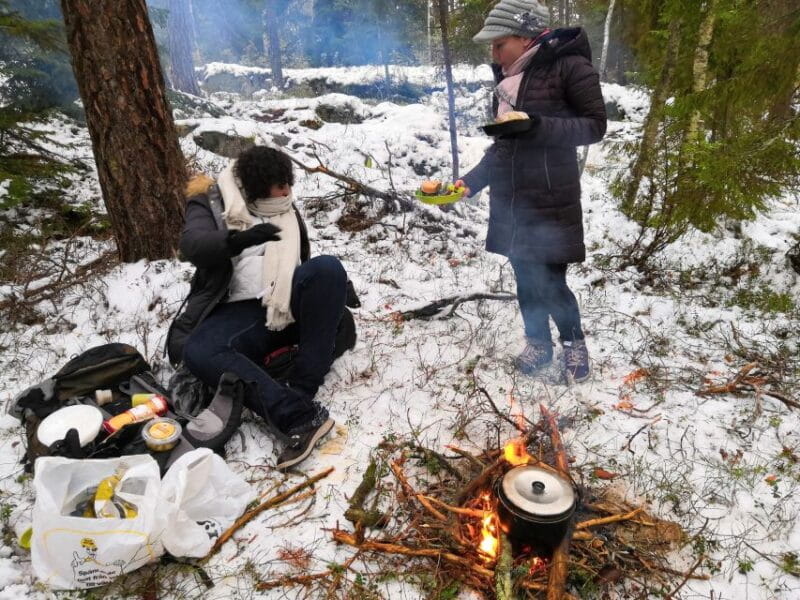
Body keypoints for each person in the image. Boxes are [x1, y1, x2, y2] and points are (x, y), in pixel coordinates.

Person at [166, 146, 348, 470]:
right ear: (257, 186)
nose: (287, 193)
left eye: (289, 185)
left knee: (328, 270)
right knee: (200, 350)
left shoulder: (283, 205)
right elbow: (192, 246)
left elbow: (302, 262)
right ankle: (298, 417)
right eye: (280, 187)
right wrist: (238, 240)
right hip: (239, 311)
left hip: (284, 302)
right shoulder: (211, 199)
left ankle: (302, 391)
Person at [454, 0, 606, 383]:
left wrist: (536, 125)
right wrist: (471, 181)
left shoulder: (570, 66)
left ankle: (574, 345)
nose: (493, 53)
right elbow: (506, 145)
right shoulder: (507, 84)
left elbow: (594, 126)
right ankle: (538, 342)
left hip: (550, 197)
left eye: (498, 44)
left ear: (525, 38)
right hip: (512, 201)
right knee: (524, 277)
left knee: (551, 281)